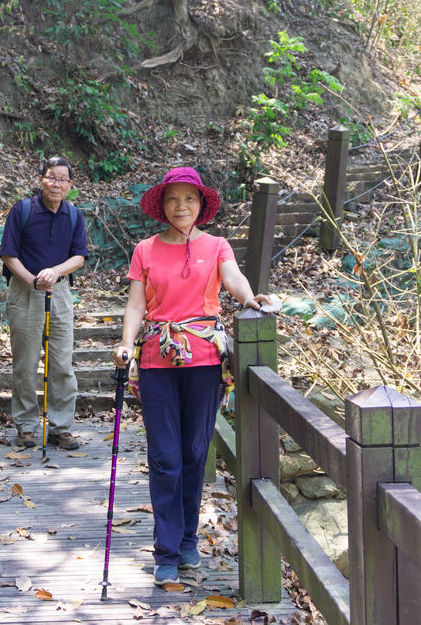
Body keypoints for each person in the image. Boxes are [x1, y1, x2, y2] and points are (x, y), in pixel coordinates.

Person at [112, 166, 269, 586]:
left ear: (201, 205)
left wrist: (249, 297)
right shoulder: (144, 249)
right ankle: (166, 549)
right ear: (161, 206)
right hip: (156, 360)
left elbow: (232, 278)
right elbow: (135, 305)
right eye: (173, 199)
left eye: (190, 199)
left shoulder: (217, 245)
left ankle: (186, 539)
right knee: (165, 456)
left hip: (203, 358)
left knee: (195, 452)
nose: (181, 206)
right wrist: (126, 343)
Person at [0, 157, 88, 450]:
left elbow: (79, 256)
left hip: (60, 293)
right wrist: (32, 280)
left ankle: (60, 427)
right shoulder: (22, 211)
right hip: (25, 292)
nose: (56, 184)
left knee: (61, 362)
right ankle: (26, 425)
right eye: (52, 177)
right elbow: (9, 255)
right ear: (41, 180)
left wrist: (56, 272)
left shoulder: (74, 215)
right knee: (25, 363)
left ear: (70, 186)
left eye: (63, 180)